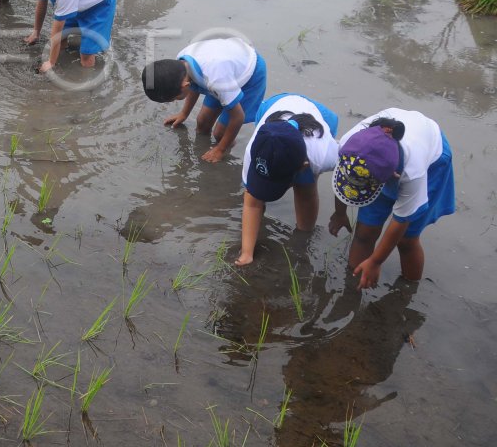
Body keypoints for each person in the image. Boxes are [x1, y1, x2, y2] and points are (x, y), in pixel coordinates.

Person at [330, 109, 455, 288]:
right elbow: (343, 181)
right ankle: (352, 287)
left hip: (433, 160)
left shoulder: (414, 173)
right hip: (377, 162)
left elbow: (402, 219)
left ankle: (407, 291)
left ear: (393, 176)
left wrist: (376, 261)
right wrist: (340, 213)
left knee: (407, 239)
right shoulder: (350, 145)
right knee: (364, 232)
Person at [234, 93, 340, 266]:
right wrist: (246, 253)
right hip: (273, 109)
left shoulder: (324, 155)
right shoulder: (254, 150)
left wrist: (340, 212)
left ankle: (303, 234)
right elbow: (251, 202)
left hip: (320, 119)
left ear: (302, 165)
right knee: (255, 194)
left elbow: (351, 172)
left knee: (306, 188)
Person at [141, 36, 268, 163]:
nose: (174, 101)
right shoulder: (181, 64)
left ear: (185, 86)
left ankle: (227, 152)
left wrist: (220, 149)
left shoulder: (215, 79)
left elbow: (238, 117)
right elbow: (193, 84)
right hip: (226, 69)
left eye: (174, 98)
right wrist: (184, 113)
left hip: (250, 74)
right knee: (202, 122)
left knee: (220, 133)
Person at [0, 0, 116, 74]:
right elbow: (41, 4)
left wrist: (51, 62)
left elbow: (57, 31)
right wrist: (36, 32)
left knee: (86, 55)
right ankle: (64, 58)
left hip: (99, 3)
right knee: (61, 40)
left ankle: (88, 82)